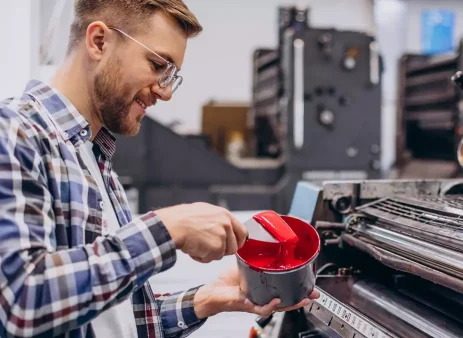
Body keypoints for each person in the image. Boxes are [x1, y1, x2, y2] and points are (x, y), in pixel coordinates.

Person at [0, 1, 318, 337]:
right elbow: (23, 302)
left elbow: (117, 323)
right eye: (156, 65)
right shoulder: (15, 133)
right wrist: (167, 228)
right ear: (98, 42)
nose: (164, 92)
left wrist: (206, 299)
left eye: (171, 76)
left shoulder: (95, 157)